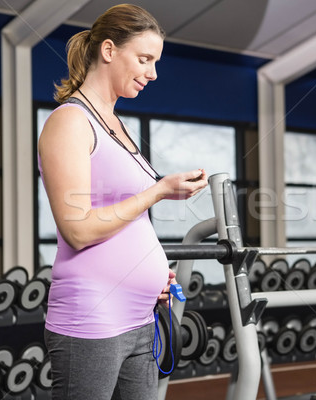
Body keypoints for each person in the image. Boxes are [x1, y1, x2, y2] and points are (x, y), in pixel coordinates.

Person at [37, 4, 208, 399]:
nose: (153, 73)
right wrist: (158, 190)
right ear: (109, 50)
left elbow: (129, 222)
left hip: (140, 316)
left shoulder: (116, 124)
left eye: (155, 62)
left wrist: (148, 273)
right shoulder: (69, 121)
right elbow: (78, 229)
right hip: (92, 319)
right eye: (145, 59)